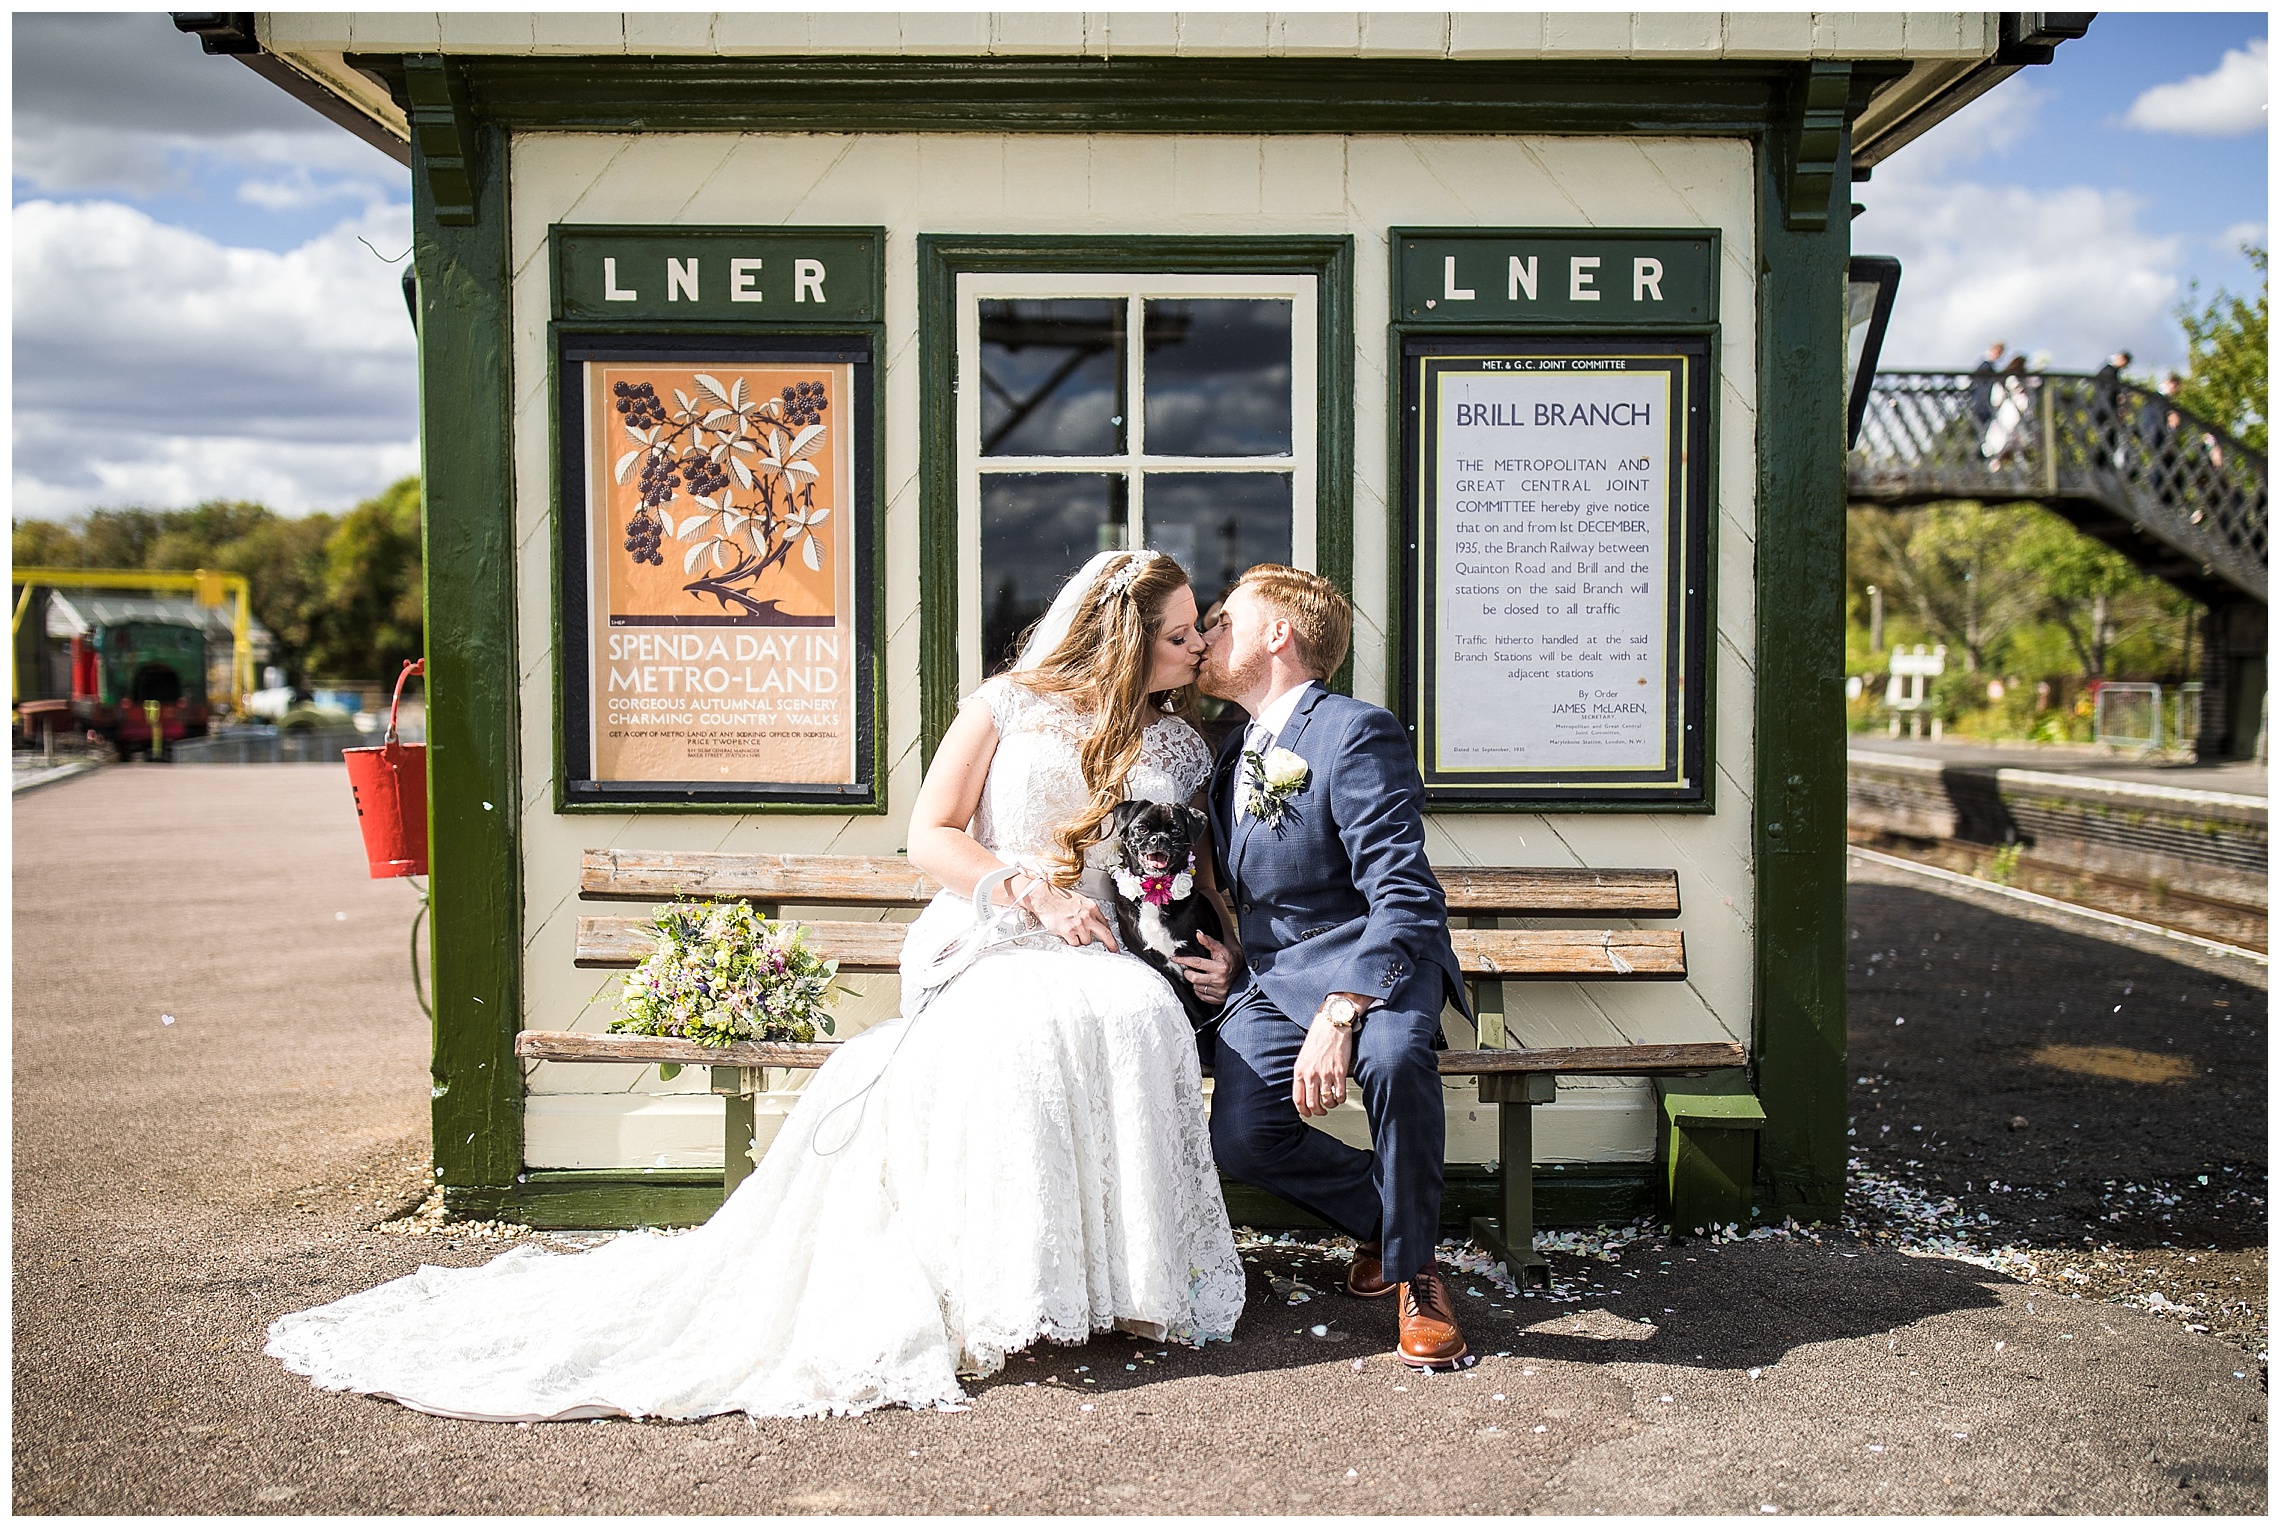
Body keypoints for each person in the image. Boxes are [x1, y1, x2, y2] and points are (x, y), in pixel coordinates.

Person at [264, 549, 1247, 1420]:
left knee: (1132, 1008)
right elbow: (929, 836)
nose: (1198, 645)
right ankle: (1012, 1287)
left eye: (1197, 630)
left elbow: (1185, 875)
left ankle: (1129, 1281)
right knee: (1026, 1025)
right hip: (992, 923)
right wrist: (1026, 892)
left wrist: (1219, 950)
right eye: (1178, 633)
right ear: (1123, 634)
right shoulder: (1004, 707)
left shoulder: (1174, 744)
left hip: (1093, 943)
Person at [1194, 565, 1471, 1371]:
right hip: (1274, 979)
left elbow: (1405, 893)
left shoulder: (1353, 731)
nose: (1206, 638)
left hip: (1375, 964)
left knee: (1395, 1057)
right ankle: (1393, 1226)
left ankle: (1417, 1274)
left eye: (1220, 622)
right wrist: (1236, 955)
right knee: (1244, 1142)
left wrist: (1346, 1006)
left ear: (1276, 633)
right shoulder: (1232, 749)